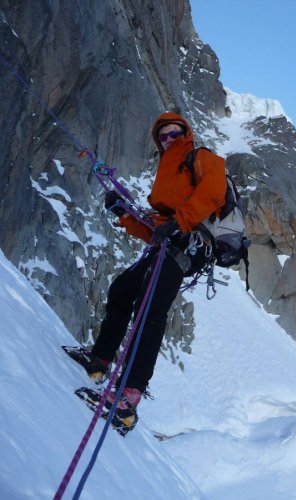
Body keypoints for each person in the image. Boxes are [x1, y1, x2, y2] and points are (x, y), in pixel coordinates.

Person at [65, 112, 227, 433]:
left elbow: (214, 191)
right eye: (163, 136)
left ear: (186, 132)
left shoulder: (201, 157)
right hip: (169, 243)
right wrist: (124, 214)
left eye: (175, 133)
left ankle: (129, 399)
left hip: (188, 245)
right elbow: (156, 228)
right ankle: (100, 359)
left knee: (150, 312)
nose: (169, 140)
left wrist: (179, 224)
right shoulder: (166, 172)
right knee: (123, 291)